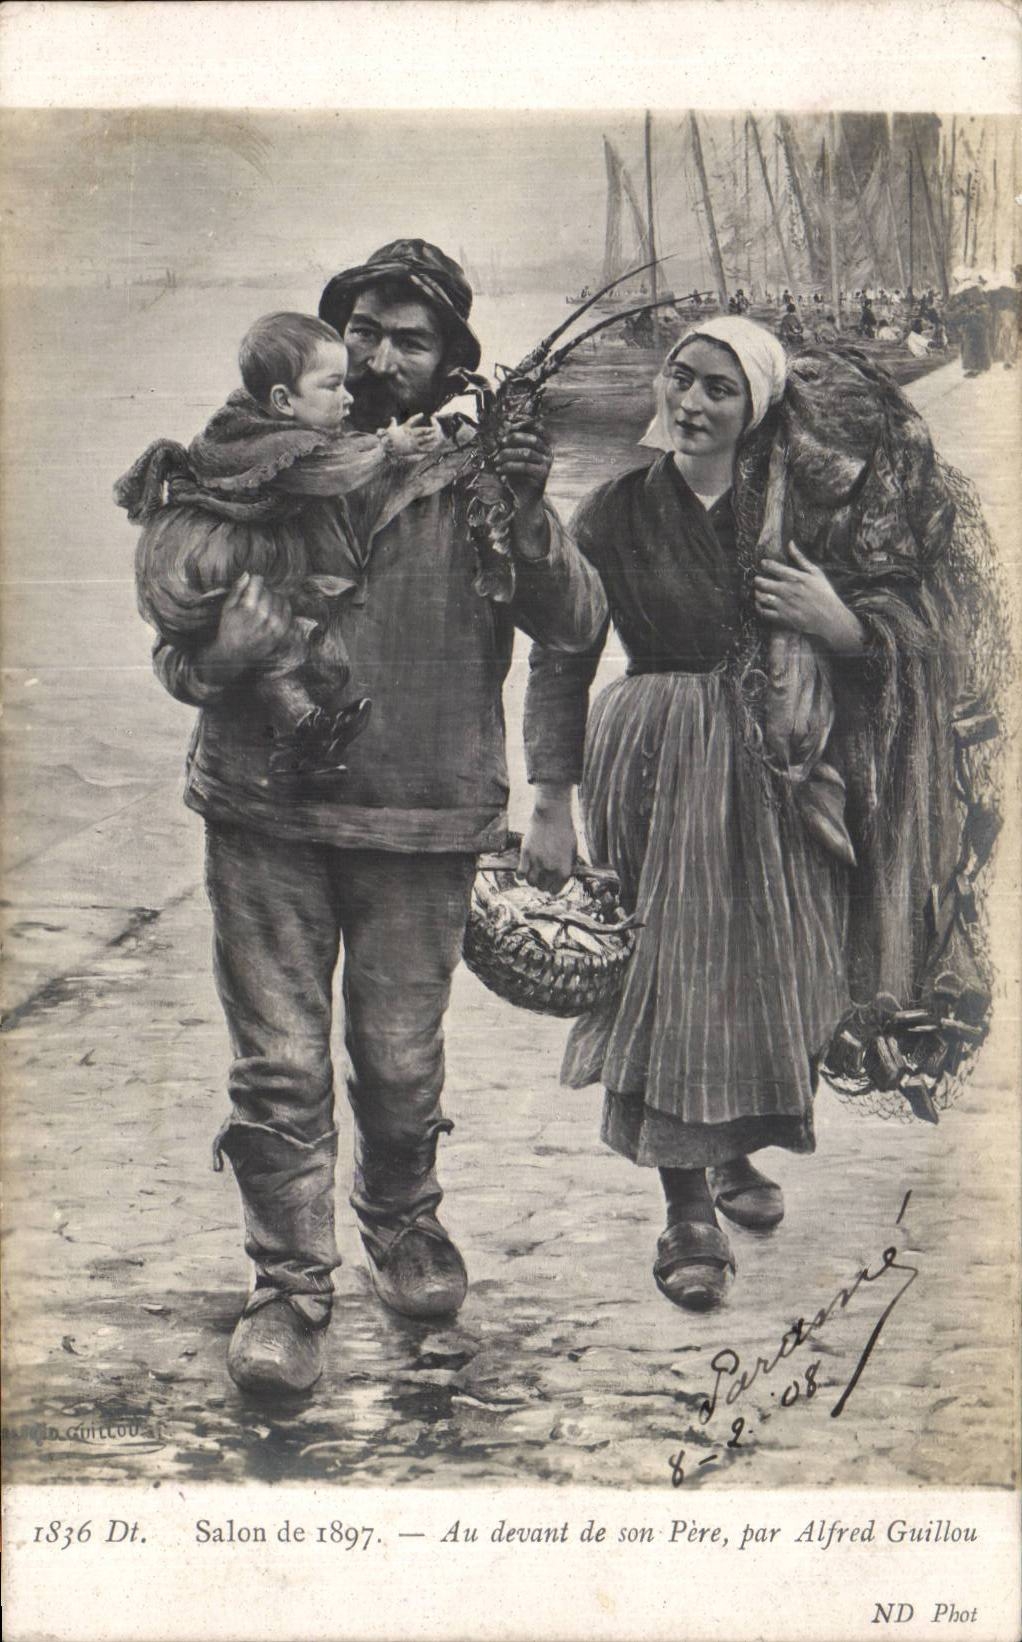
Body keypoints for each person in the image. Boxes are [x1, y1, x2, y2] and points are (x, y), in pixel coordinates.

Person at [146, 241, 607, 1394]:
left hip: (424, 815)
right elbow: (178, 638)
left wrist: (529, 504)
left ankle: (402, 1224)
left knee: (398, 1059)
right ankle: (290, 1285)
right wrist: (222, 655)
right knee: (279, 1065)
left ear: (451, 356)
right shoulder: (270, 464)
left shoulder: (485, 473)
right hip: (264, 810)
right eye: (360, 333)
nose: (380, 357)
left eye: (410, 338)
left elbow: (574, 621)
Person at [520, 315, 979, 1312]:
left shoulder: (804, 520)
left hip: (784, 760)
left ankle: (728, 1154)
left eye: (716, 390)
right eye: (677, 379)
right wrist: (548, 798)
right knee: (671, 971)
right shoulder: (610, 513)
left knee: (774, 967)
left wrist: (843, 623)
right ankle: (685, 1206)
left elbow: (921, 623)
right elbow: (560, 652)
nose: (687, 403)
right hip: (656, 750)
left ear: (757, 408)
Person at [117, 312, 440, 789]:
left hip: (244, 557)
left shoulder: (283, 422)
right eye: (334, 386)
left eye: (411, 342)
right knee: (276, 636)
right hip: (213, 559)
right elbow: (330, 467)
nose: (350, 394)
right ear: (283, 400)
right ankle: (306, 728)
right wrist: (390, 446)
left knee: (287, 644)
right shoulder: (279, 445)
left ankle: (308, 728)